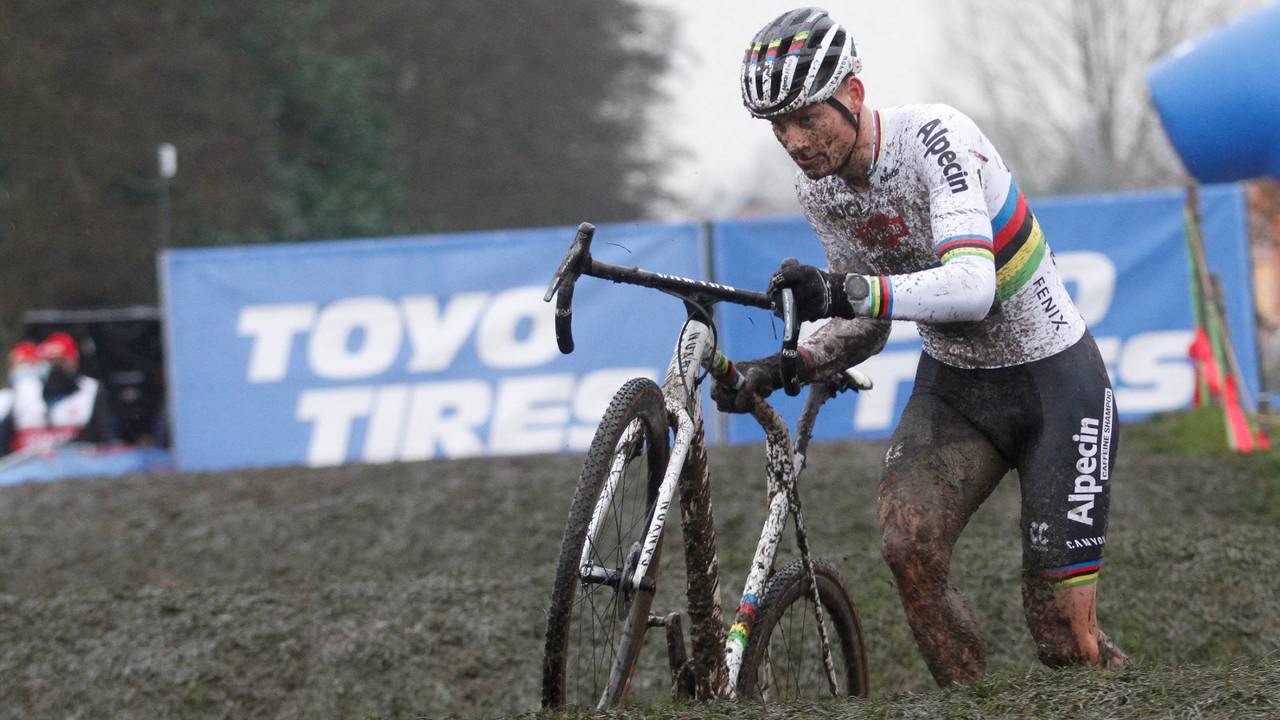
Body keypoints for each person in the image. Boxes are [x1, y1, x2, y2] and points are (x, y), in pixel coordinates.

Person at [713, 7, 1126, 686]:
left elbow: (973, 288)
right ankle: (970, 702)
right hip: (958, 389)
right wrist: (793, 362)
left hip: (1057, 387)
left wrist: (842, 291)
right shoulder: (819, 191)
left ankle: (1128, 694)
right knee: (908, 546)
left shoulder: (936, 138)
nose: (795, 140)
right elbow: (866, 322)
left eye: (806, 117)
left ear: (852, 93)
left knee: (1060, 637)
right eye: (778, 125)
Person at [0, 332, 117, 454]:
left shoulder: (91, 390)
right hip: (29, 467)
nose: (55, 366)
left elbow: (108, 439)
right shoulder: (25, 393)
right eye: (50, 361)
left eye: (61, 360)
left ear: (73, 360)